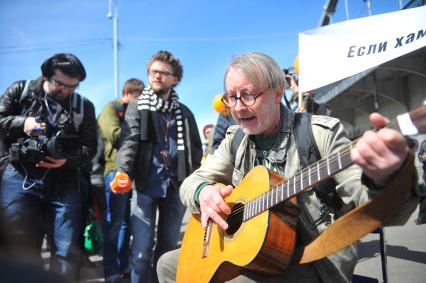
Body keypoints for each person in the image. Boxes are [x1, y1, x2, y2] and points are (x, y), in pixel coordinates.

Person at [156, 52, 420, 283]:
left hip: (314, 260)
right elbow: (192, 181)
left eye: (247, 95)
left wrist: (385, 180)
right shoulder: (235, 139)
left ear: (278, 92)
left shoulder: (320, 134)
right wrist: (203, 192)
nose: (237, 107)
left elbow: (375, 208)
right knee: (168, 265)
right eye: (231, 97)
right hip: (255, 252)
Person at [0, 53, 97, 280]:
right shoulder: (20, 91)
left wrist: (67, 160)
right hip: (19, 177)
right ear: (46, 75)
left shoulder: (84, 106)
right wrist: (22, 123)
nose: (66, 90)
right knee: (19, 248)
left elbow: (90, 147)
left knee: (66, 252)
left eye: (73, 86)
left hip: (64, 182)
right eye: (60, 84)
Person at [113, 50, 203, 283]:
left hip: (176, 187)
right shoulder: (137, 107)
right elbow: (129, 141)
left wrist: (192, 179)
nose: (157, 76)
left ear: (175, 78)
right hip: (145, 186)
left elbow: (195, 149)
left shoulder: (184, 112)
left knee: (168, 251)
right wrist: (122, 171)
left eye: (164, 73)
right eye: (154, 71)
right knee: (141, 253)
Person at [98, 78, 145, 282]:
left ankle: (123, 265)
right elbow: (115, 135)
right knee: (114, 222)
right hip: (115, 170)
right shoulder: (111, 108)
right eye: (137, 97)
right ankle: (110, 270)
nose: (139, 102)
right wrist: (136, 131)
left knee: (126, 224)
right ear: (128, 92)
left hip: (133, 172)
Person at [416, 139, 426, 224]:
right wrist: (422, 158)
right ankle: (422, 217)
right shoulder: (424, 143)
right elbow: (420, 155)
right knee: (423, 194)